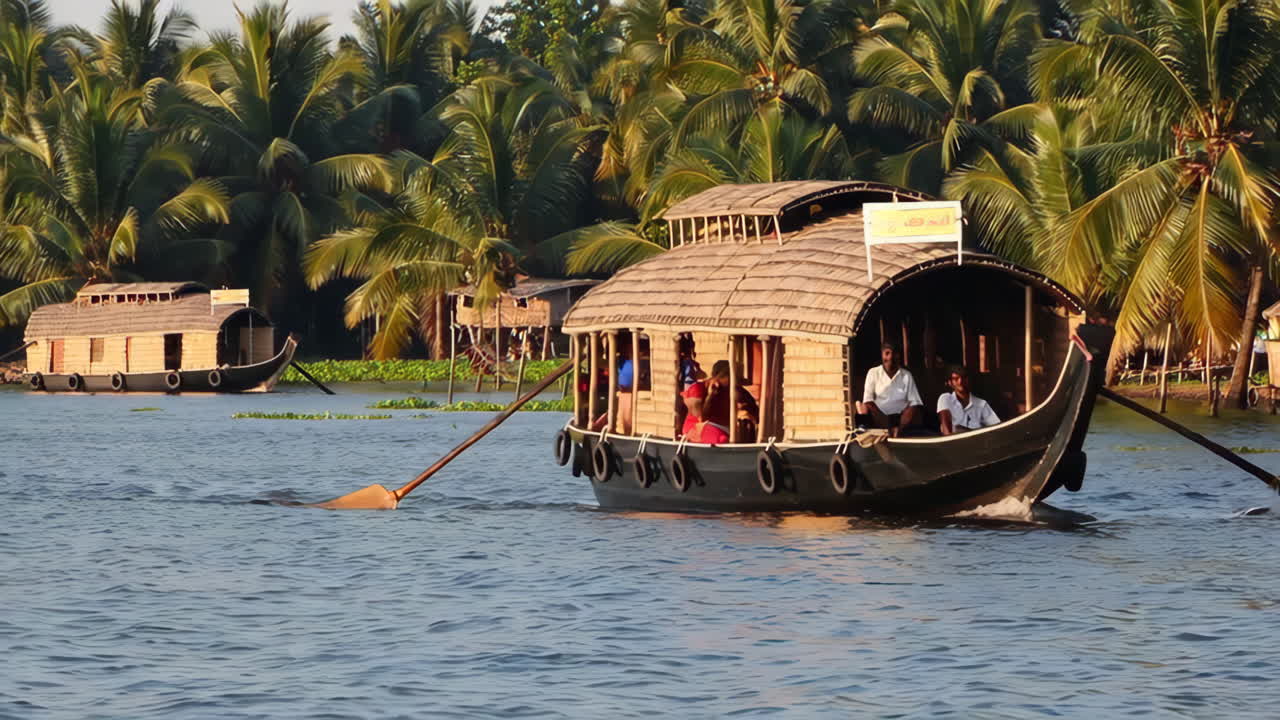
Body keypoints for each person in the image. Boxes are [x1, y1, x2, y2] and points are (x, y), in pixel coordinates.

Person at [682, 360, 757, 444]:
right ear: (721, 376)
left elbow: (753, 410)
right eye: (734, 379)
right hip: (699, 430)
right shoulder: (697, 390)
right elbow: (701, 418)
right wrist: (710, 396)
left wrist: (746, 413)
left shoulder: (734, 389)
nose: (736, 383)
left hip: (724, 428)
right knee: (721, 439)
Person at [860, 342, 923, 437]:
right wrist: (886, 425)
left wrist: (900, 426)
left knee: (916, 413)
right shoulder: (873, 373)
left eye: (894, 354)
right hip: (879, 418)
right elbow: (868, 401)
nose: (890, 357)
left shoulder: (906, 375)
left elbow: (914, 402)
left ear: (899, 356)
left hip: (901, 419)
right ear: (882, 354)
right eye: (887, 353)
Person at [937, 366, 1000, 435]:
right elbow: (947, 431)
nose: (960, 381)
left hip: (977, 440)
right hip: (954, 440)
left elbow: (997, 428)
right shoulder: (945, 398)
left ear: (969, 380)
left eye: (964, 377)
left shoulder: (981, 403)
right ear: (950, 383)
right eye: (956, 379)